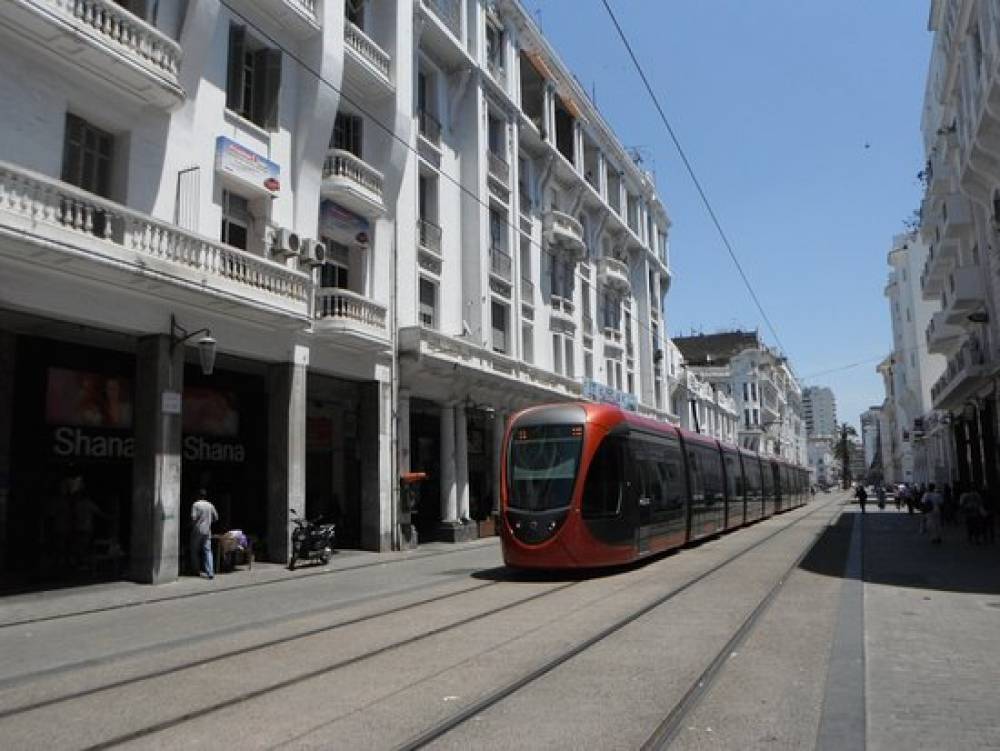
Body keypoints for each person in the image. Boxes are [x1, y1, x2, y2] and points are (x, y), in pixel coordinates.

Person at [190, 489, 218, 579]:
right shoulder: (210, 505)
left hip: (197, 531)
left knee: (194, 550)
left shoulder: (196, 504)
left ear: (198, 495)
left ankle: (196, 570)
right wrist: (209, 521)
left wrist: (192, 525)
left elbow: (193, 518)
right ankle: (210, 572)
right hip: (207, 531)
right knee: (208, 551)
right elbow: (216, 517)